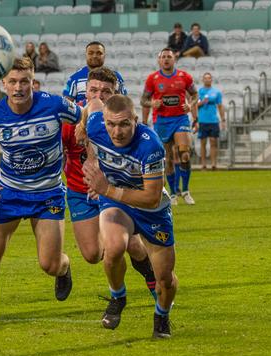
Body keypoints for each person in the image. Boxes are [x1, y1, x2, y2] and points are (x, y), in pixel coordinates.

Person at [0, 57, 80, 323]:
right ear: (3, 84)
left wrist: (84, 133)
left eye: (24, 81)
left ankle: (65, 269)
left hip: (48, 194)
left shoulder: (53, 105)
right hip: (8, 193)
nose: (19, 87)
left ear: (33, 81)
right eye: (13, 82)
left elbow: (83, 115)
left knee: (50, 265)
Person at [81, 94, 177, 338]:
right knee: (113, 249)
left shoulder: (150, 145)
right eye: (111, 124)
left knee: (165, 279)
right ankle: (117, 297)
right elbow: (92, 103)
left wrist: (106, 189)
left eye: (124, 124)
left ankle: (161, 316)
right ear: (103, 121)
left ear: (136, 120)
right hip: (115, 202)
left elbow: (152, 197)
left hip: (151, 209)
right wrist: (82, 132)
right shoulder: (95, 124)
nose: (117, 131)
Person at [63, 67, 157, 299]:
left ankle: (150, 278)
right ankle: (64, 268)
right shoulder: (70, 124)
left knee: (131, 246)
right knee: (92, 254)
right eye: (93, 90)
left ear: (116, 94)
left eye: (106, 91)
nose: (99, 96)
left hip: (114, 193)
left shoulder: (122, 126)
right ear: (85, 92)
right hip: (79, 191)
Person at [141, 48, 198, 206]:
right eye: (163, 57)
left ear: (174, 60)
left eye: (169, 57)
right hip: (162, 121)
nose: (166, 59)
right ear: (159, 60)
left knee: (184, 153)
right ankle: (173, 193)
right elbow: (143, 100)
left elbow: (195, 94)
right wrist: (152, 103)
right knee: (169, 159)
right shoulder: (152, 79)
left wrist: (190, 105)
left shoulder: (184, 76)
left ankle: (185, 191)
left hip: (180, 119)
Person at [196, 72, 226, 170]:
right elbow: (195, 105)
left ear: (211, 80)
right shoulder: (200, 91)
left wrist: (223, 119)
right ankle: (203, 164)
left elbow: (220, 106)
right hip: (202, 120)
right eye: (205, 78)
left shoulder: (216, 92)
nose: (207, 80)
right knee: (203, 143)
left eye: (209, 78)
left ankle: (213, 164)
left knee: (213, 142)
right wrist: (202, 102)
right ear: (203, 80)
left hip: (213, 120)